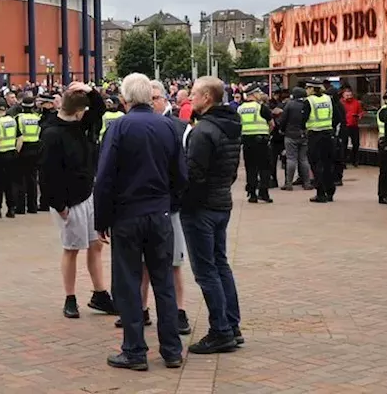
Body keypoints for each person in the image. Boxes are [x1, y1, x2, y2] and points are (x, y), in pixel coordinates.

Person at [94, 73, 184, 371]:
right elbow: (180, 175)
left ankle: (134, 350)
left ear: (125, 99)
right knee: (164, 282)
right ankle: (171, 350)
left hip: (127, 215)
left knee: (129, 283)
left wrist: (102, 219)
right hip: (159, 214)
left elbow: (105, 178)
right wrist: (170, 205)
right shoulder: (169, 127)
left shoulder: (118, 128)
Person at [179, 76, 244, 354]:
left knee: (206, 271)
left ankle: (221, 330)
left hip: (202, 208)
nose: (189, 98)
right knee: (220, 264)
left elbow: (193, 175)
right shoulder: (230, 126)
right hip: (221, 202)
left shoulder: (203, 131)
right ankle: (231, 324)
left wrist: (185, 202)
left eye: (194, 94)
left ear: (207, 97)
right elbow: (231, 170)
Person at [40, 82, 114, 319]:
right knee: (71, 248)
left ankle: (100, 294)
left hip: (88, 192)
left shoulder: (80, 124)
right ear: (78, 111)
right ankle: (70, 297)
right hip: (69, 200)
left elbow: (99, 109)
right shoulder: (52, 133)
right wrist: (59, 205)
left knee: (95, 245)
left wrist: (90, 90)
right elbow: (48, 174)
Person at [237, 86, 274, 204]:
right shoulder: (261, 107)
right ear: (253, 94)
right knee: (264, 168)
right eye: (258, 93)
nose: (260, 95)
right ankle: (264, 192)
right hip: (261, 141)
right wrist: (267, 132)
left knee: (250, 168)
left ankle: (252, 194)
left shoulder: (240, 108)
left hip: (247, 141)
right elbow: (272, 124)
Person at [305, 80, 336, 203]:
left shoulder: (309, 101)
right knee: (328, 164)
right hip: (328, 134)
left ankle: (320, 193)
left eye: (308, 88)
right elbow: (336, 117)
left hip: (315, 135)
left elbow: (303, 119)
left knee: (317, 165)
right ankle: (330, 192)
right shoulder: (329, 99)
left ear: (312, 89)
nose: (306, 90)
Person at [279, 88, 310, 190]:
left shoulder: (290, 104)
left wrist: (282, 129)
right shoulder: (307, 104)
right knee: (303, 159)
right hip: (304, 134)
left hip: (290, 134)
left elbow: (283, 119)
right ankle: (306, 183)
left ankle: (289, 183)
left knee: (291, 159)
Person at [0, 103, 21, 218]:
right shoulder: (13, 121)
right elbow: (20, 138)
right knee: (10, 183)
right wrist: (16, 151)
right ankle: (11, 209)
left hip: (0, 155)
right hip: (11, 154)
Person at [17, 97, 43, 214]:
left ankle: (21, 207)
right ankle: (32, 206)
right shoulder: (37, 118)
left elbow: (18, 135)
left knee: (21, 178)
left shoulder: (19, 118)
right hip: (35, 149)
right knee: (32, 179)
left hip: (23, 149)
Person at [339, 87, 363, 168]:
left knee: (356, 144)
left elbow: (360, 112)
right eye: (347, 95)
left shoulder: (356, 103)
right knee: (343, 145)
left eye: (350, 95)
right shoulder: (340, 103)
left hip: (354, 126)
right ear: (343, 95)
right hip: (344, 126)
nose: (349, 97)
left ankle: (354, 161)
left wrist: (359, 116)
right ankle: (343, 162)